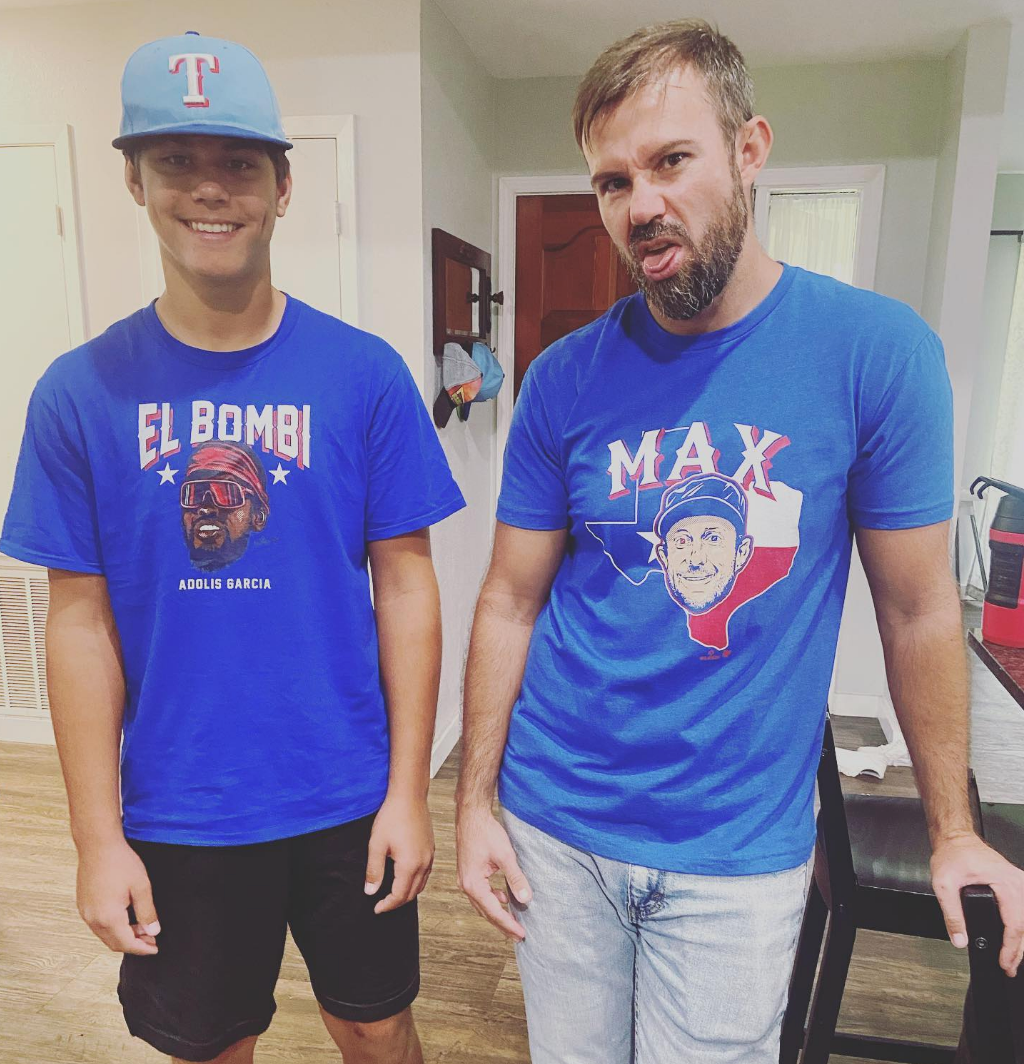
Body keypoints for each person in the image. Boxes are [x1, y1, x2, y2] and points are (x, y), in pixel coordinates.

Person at [455, 18, 1024, 1063]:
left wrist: (953, 829)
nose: (641, 205)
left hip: (736, 854)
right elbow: (508, 599)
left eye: (671, 160)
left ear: (750, 148)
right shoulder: (561, 378)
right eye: (612, 181)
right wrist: (474, 801)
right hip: (555, 823)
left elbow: (918, 607)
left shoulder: (876, 354)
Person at [1, 31, 464, 1064]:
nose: (210, 188)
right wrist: (96, 838)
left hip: (347, 791)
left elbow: (407, 586)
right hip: (181, 802)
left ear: (282, 186)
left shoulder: (364, 375)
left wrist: (408, 792)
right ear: (134, 179)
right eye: (176, 159)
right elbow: (77, 624)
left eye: (239, 163)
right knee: (211, 1043)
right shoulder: (78, 394)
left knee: (374, 1023)